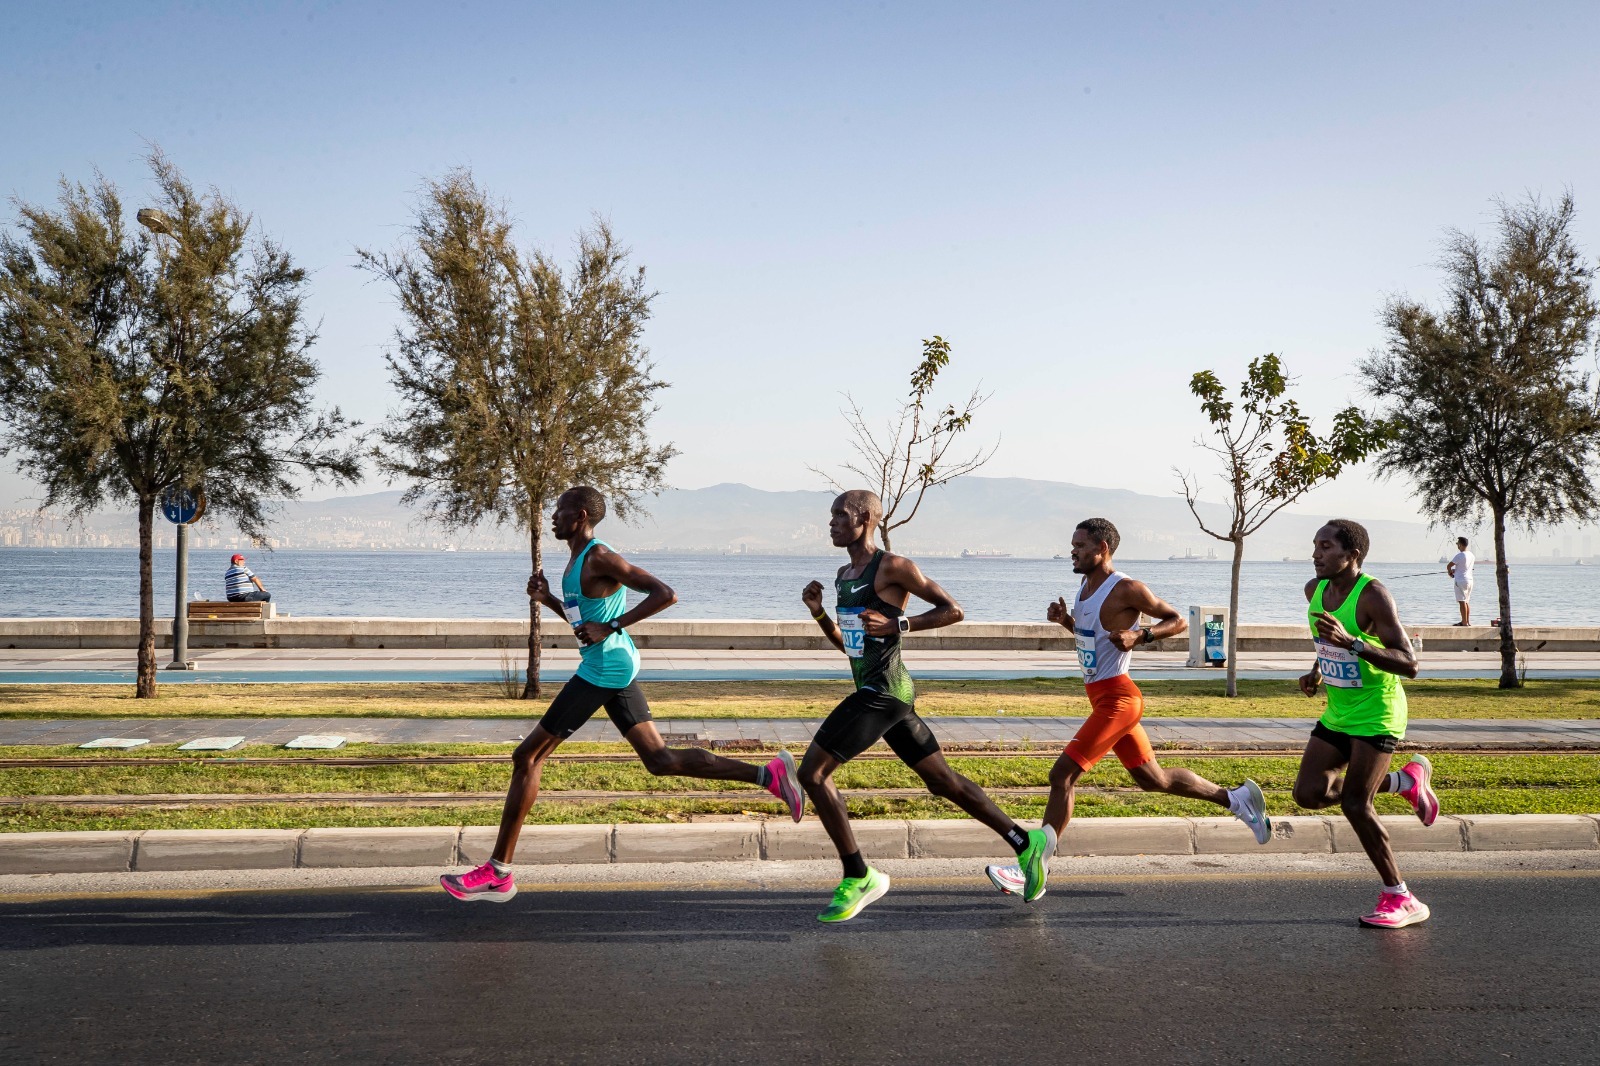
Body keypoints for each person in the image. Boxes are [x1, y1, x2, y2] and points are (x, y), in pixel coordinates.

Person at [441, 486, 805, 903]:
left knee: (527, 756)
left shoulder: (599, 556)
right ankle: (769, 775)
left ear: (579, 515)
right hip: (610, 665)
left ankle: (499, 873)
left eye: (558, 511)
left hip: (605, 668)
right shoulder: (577, 562)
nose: (552, 518)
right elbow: (585, 623)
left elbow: (665, 593)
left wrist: (613, 628)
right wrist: (550, 600)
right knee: (661, 760)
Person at [985, 518, 1272, 902]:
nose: (1073, 550)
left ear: (1102, 548)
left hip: (1119, 699)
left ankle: (1033, 867)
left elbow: (1177, 620)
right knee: (1153, 780)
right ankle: (1237, 799)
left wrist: (1142, 634)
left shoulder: (1126, 588)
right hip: (1101, 697)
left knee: (1062, 775)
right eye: (1073, 544)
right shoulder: (1085, 587)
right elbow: (1092, 640)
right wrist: (1066, 621)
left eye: (1080, 545)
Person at [798, 489, 1051, 922]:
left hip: (884, 693)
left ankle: (858, 875)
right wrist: (819, 612)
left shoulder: (893, 567)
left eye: (840, 515)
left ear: (864, 518)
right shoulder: (844, 574)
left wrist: (899, 622)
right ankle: (1025, 842)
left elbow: (953, 610)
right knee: (943, 782)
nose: (832, 523)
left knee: (812, 773)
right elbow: (851, 648)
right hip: (881, 691)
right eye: (831, 515)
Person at [1293, 519, 1440, 929]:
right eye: (1315, 546)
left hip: (1378, 711)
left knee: (1357, 803)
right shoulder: (1315, 590)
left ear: (1350, 554)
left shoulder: (1373, 595)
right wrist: (1317, 671)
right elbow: (1328, 642)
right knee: (1308, 793)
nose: (1316, 554)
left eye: (1325, 547)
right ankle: (1405, 783)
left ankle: (1401, 896)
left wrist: (1354, 643)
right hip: (1339, 711)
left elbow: (1409, 663)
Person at [1447, 536, 1474, 626]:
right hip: (1469, 580)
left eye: (1458, 544)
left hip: (1460, 581)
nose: (1457, 546)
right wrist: (1456, 571)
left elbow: (1449, 566)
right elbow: (1464, 567)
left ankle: (1464, 622)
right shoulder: (1471, 555)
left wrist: (1450, 572)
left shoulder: (1460, 555)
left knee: (1461, 601)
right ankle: (1467, 621)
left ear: (1461, 545)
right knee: (1466, 601)